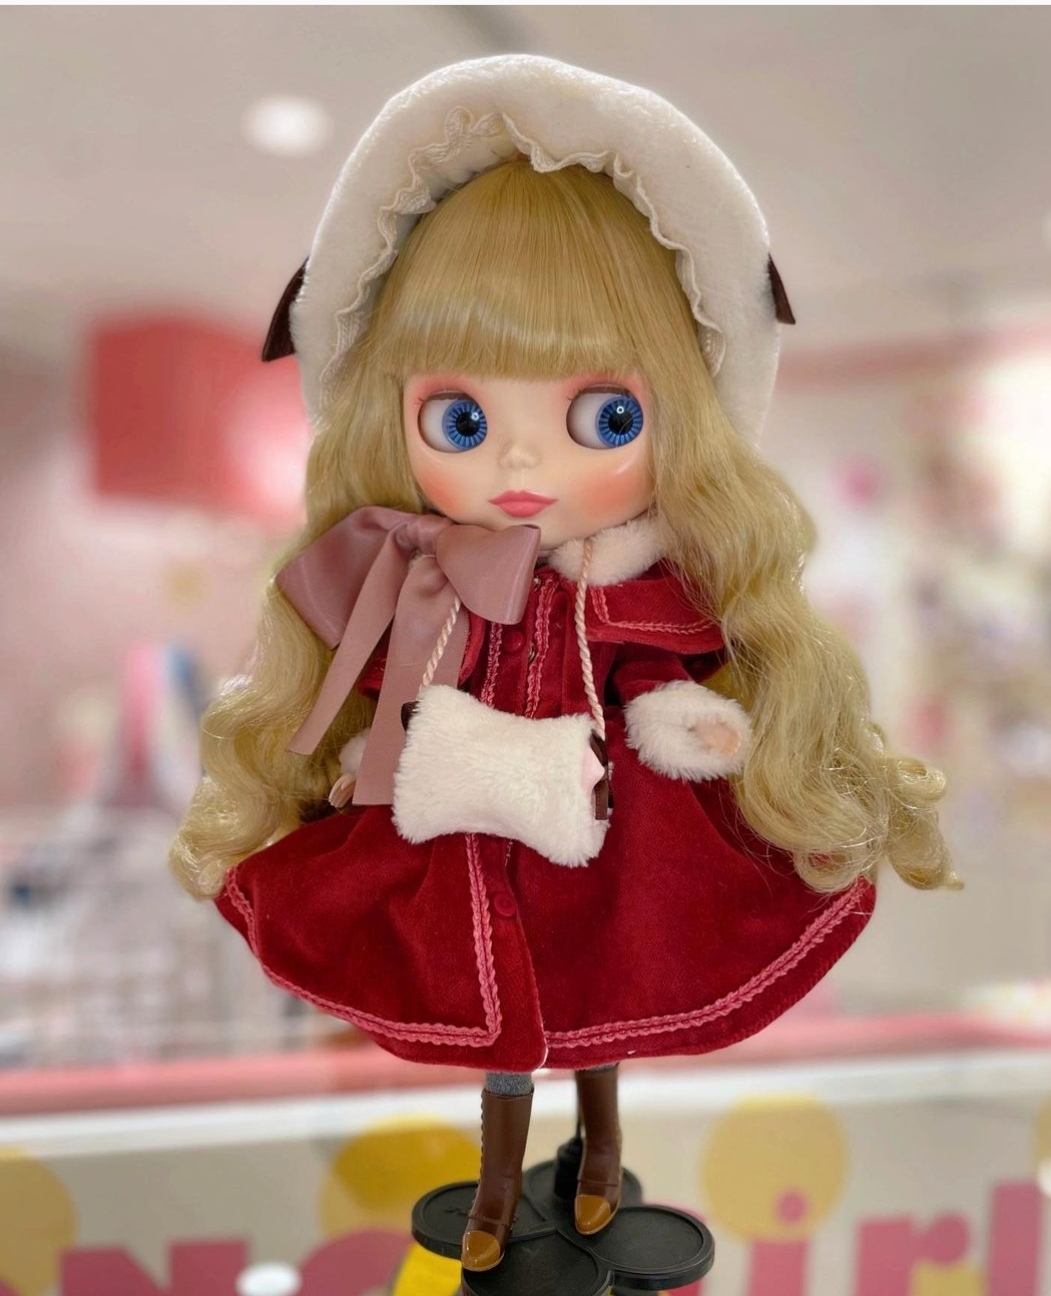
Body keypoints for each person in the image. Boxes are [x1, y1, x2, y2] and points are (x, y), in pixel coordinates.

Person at [171, 57, 955, 1273]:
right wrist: (359, 752)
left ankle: (596, 1157)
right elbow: (384, 689)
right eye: (464, 421)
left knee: (605, 1000)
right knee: (496, 1027)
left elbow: (653, 683)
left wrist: (690, 723)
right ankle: (496, 1192)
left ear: (681, 420)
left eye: (605, 418)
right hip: (459, 842)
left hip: (616, 842)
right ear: (391, 416)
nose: (522, 466)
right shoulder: (417, 579)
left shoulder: (637, 584)